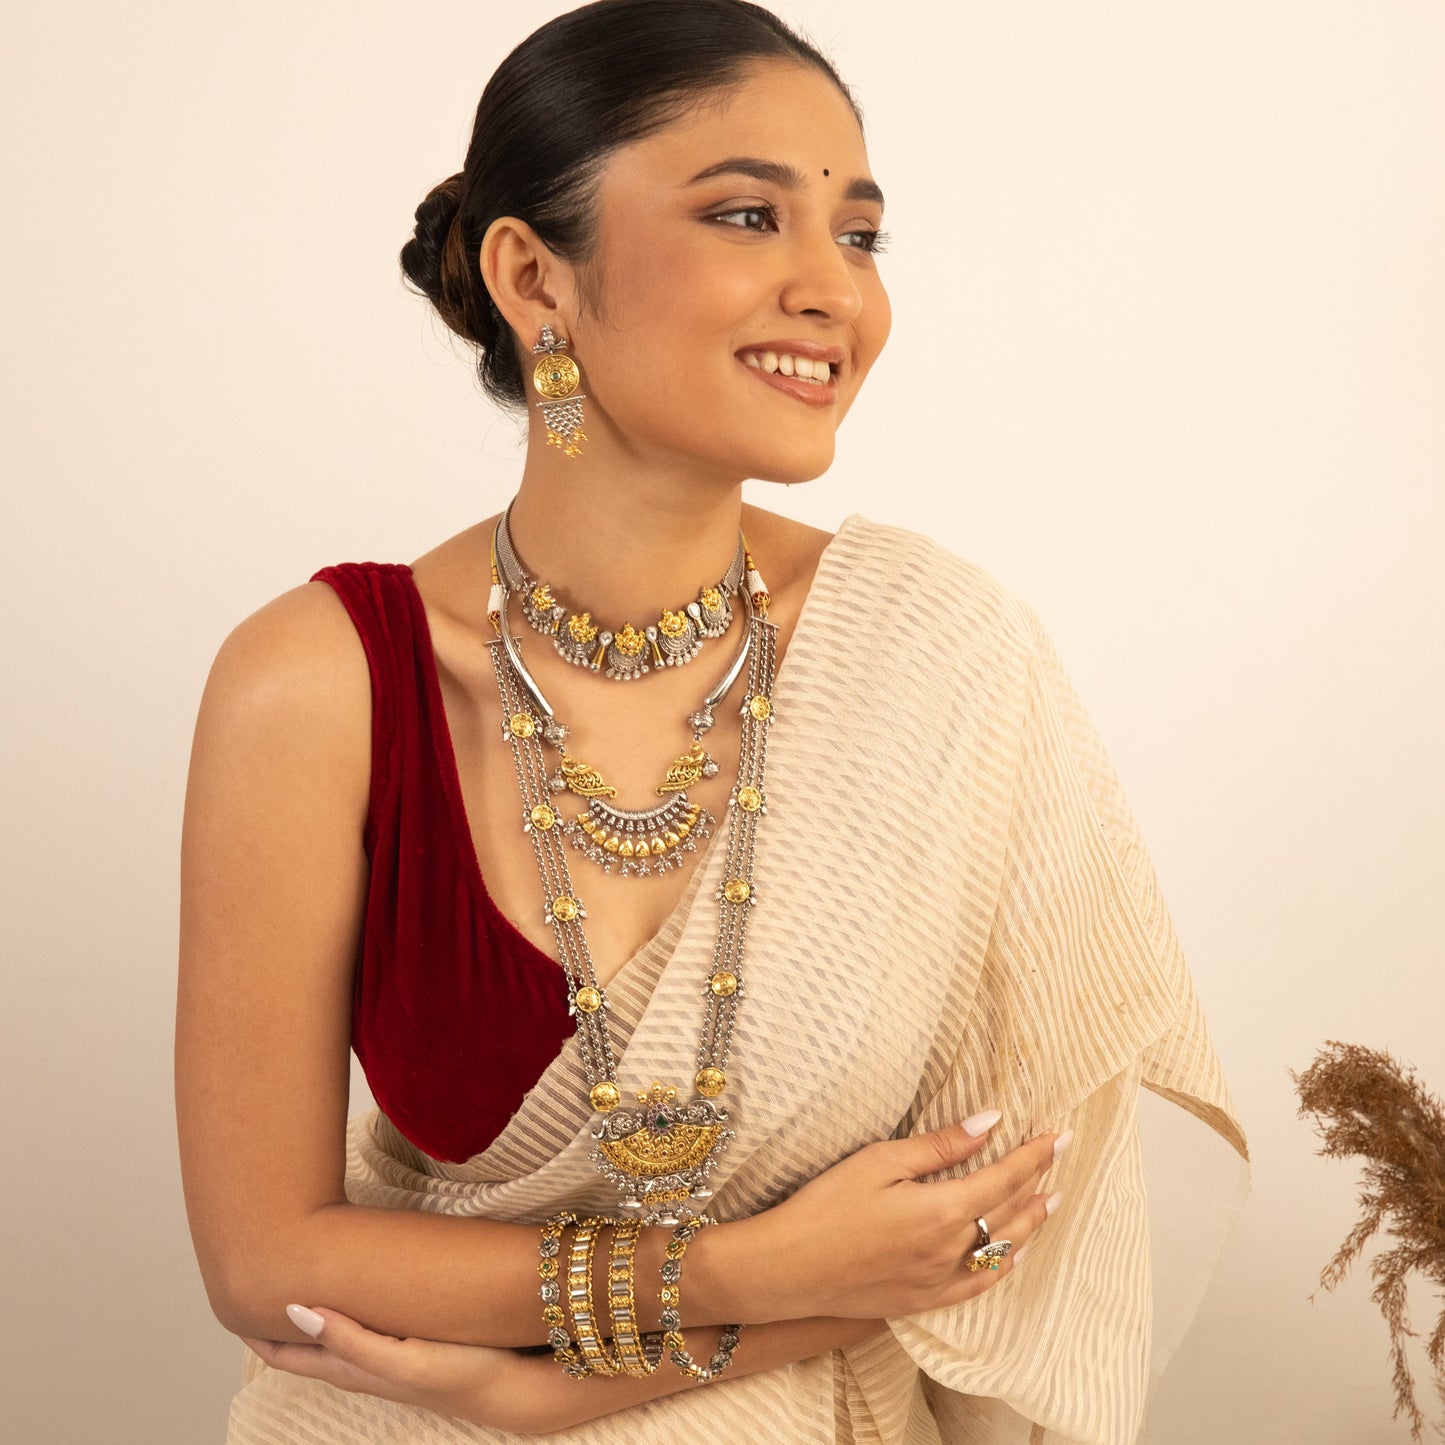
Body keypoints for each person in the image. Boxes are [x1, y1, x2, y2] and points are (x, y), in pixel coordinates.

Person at [176, 2, 1248, 1440]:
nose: (833, 289)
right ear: (531, 276)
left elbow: (985, 1227)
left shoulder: (937, 656)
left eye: (859, 235)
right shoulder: (320, 682)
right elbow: (265, 1262)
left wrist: (552, 1386)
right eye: (750, 216)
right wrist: (737, 1272)